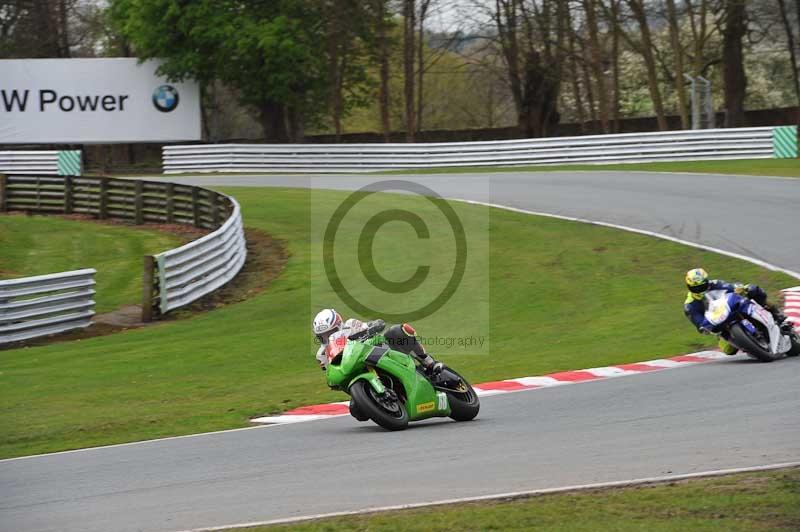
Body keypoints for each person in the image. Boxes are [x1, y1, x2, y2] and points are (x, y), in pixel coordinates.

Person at [683, 268, 789, 355]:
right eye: (696, 288)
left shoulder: (715, 284)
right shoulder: (690, 305)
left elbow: (731, 287)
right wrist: (704, 328)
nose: (700, 290)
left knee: (753, 290)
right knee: (728, 350)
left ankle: (775, 313)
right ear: (689, 287)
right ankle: (750, 346)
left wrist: (740, 288)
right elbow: (699, 323)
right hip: (719, 323)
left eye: (702, 286)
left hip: (730, 307)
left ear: (706, 281)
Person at [312, 308, 443, 374]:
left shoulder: (351, 325)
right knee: (357, 410)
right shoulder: (321, 355)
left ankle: (428, 362)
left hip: (377, 353)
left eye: (330, 332)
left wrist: (372, 328)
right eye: (323, 335)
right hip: (357, 372)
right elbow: (332, 376)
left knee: (397, 331)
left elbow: (374, 324)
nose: (327, 337)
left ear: (339, 326)